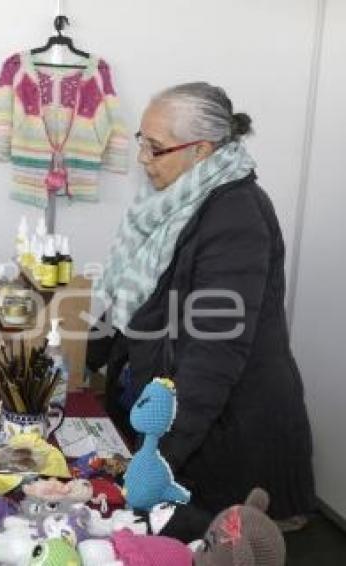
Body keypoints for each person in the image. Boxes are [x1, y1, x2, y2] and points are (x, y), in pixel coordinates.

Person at [87, 83, 315, 525]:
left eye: (155, 148)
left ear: (202, 150)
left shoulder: (237, 215)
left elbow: (214, 354)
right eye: (142, 143)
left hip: (227, 441)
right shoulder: (170, 201)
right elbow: (136, 300)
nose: (143, 159)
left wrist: (158, 458)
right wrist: (76, 359)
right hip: (177, 419)